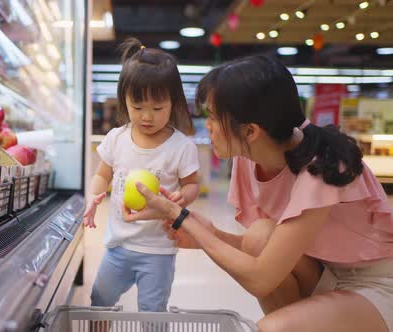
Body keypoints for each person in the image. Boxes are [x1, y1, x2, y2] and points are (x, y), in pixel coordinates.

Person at [123, 55, 393, 331]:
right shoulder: (249, 157)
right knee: (258, 237)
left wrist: (180, 217)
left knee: (273, 328)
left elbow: (261, 277)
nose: (209, 128)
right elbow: (268, 254)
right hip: (325, 272)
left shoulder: (321, 169)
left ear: (251, 131)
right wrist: (210, 234)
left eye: (214, 118)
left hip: (374, 284)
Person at [83, 38, 200, 313]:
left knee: (152, 312)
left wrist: (184, 197)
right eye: (137, 107)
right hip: (118, 246)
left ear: (174, 102)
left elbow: (192, 185)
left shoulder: (181, 146)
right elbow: (102, 174)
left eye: (157, 108)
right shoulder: (116, 138)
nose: (147, 116)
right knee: (100, 301)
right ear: (124, 99)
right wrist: (93, 195)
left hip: (158, 251)